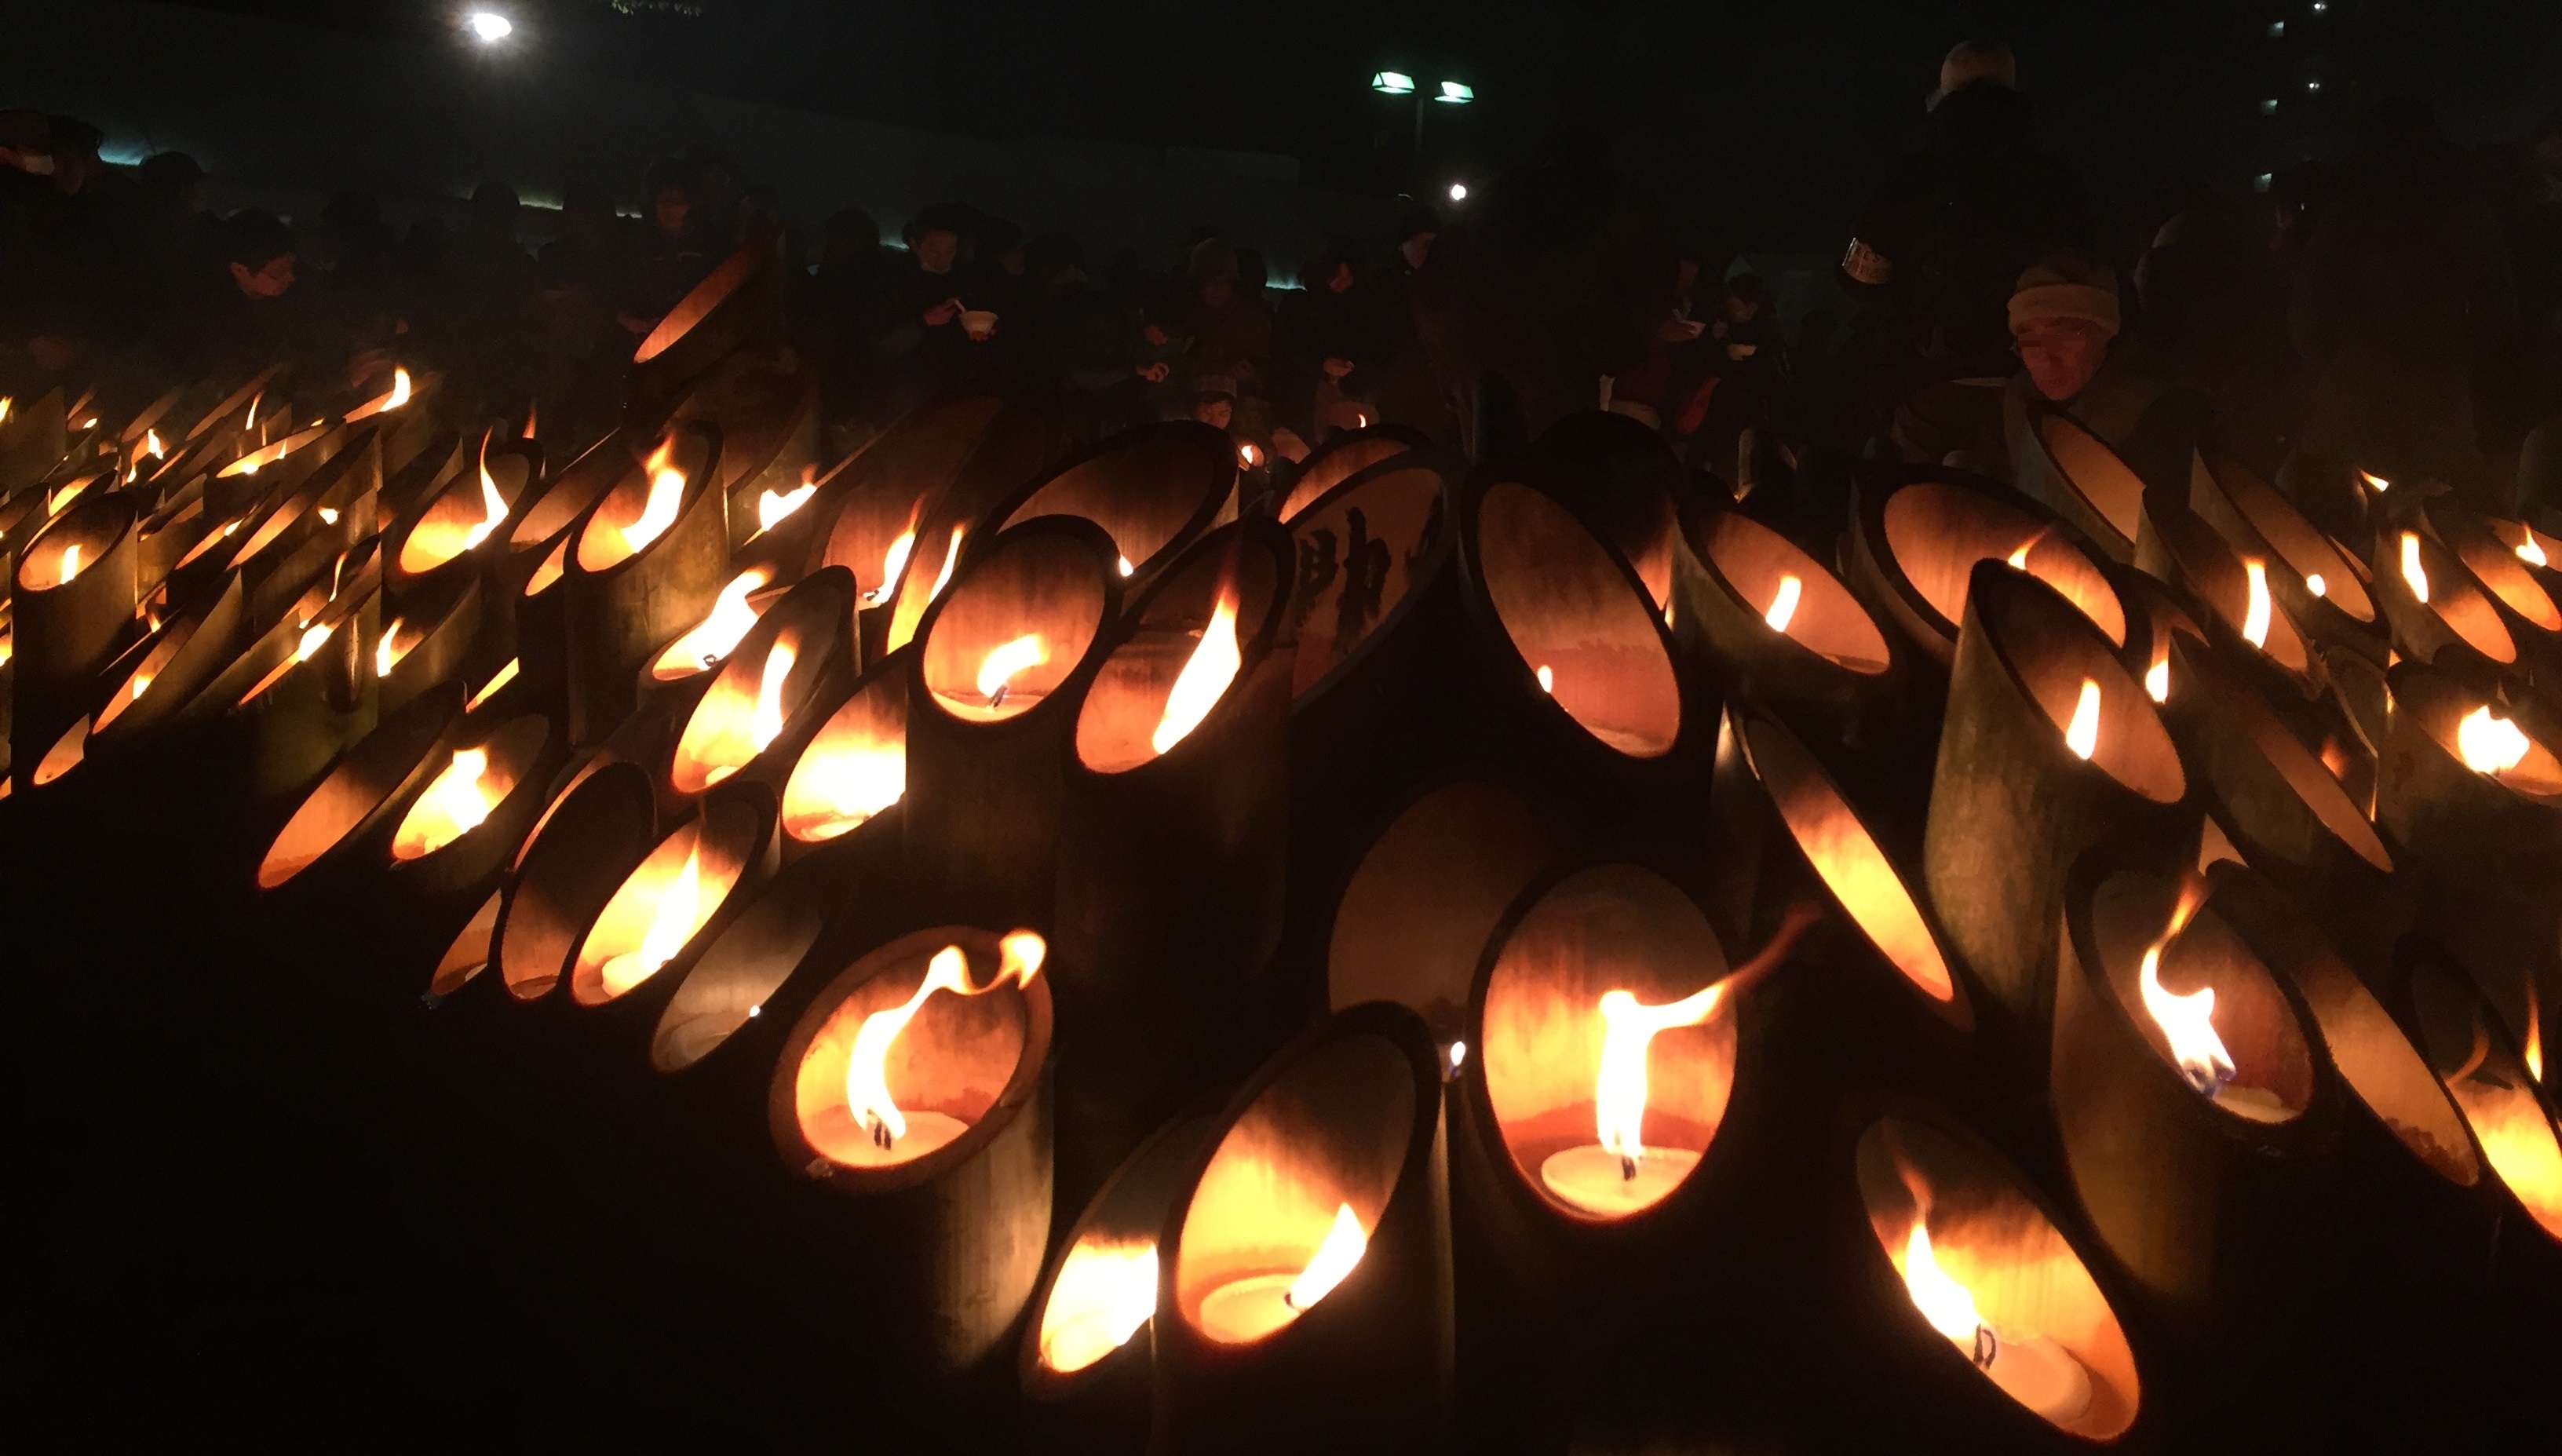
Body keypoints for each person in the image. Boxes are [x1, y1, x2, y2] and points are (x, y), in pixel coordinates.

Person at [1839, 41, 2093, 466]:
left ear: (1942, 101)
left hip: (1925, 387)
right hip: (2040, 388)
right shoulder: (2058, 180)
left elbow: (1858, 282)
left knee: (1926, 518)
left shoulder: (1912, 177)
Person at [2290, 97, 2519, 498]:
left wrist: (2338, 365)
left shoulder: (2345, 220)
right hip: (2436, 396)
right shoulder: (2462, 215)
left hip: (2355, 393)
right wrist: (2454, 353)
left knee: (2339, 530)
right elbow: (2498, 311)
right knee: (2440, 527)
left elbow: (2309, 315)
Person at [1998, 250, 2203, 498]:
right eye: (2029, 341)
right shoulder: (2021, 402)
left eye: (2063, 337)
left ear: (2103, 332)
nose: (2046, 360)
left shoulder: (2161, 415)